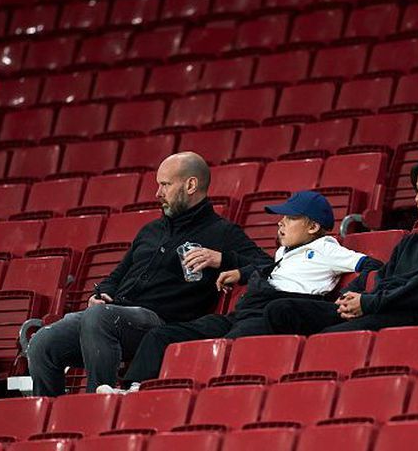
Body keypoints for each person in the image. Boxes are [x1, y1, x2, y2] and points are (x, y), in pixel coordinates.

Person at [27, 152, 271, 396]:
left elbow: (268, 266)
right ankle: (51, 422)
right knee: (42, 343)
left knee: (99, 318)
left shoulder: (222, 232)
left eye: (165, 184)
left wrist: (222, 259)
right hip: (115, 315)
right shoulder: (150, 230)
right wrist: (103, 293)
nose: (157, 193)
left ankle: (99, 404)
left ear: (190, 185)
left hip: (162, 323)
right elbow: (119, 274)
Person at [97, 191, 383, 393]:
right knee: (165, 333)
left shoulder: (327, 249)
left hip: (281, 309)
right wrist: (241, 273)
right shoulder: (285, 251)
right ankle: (133, 390)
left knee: (229, 342)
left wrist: (358, 291)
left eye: (289, 218)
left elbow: (372, 265)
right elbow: (272, 270)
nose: (280, 222)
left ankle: (205, 393)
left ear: (313, 226)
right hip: (247, 310)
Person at [265, 156, 418, 335]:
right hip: (381, 306)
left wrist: (367, 303)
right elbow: (382, 277)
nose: (417, 198)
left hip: (414, 318)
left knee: (328, 337)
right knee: (281, 310)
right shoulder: (411, 240)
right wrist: (350, 299)